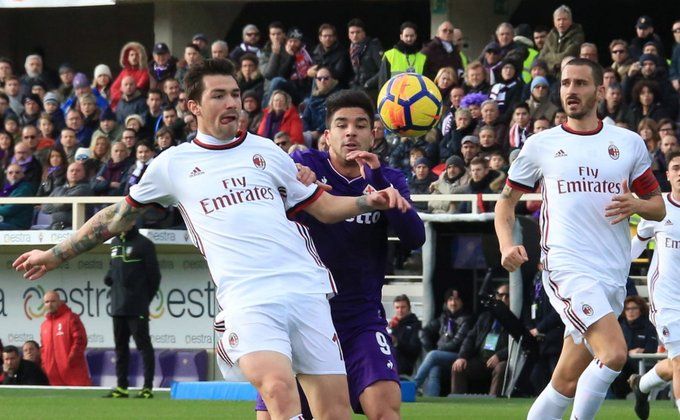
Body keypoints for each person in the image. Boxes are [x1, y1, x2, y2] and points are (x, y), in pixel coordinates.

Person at [14, 59, 410, 420]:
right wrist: (55, 254)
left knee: (335, 413)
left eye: (235, 93)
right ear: (194, 107)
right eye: (218, 95)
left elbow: (323, 207)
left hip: (307, 291)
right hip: (248, 298)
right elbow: (116, 217)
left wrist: (368, 200)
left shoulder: (268, 151)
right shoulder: (173, 164)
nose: (231, 102)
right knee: (277, 389)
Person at [495, 58, 665, 419]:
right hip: (566, 266)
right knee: (614, 353)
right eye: (566, 83)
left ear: (600, 91)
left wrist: (636, 204)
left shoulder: (628, 143)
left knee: (566, 380)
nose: (571, 90)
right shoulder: (541, 144)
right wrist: (506, 244)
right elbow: (506, 203)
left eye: (581, 83)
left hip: (612, 274)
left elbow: (658, 207)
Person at [258, 89, 425, 419]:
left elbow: (415, 237)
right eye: (342, 125)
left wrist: (378, 184)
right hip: (301, 315)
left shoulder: (389, 177)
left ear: (373, 135)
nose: (351, 132)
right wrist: (292, 184)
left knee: (385, 406)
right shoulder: (304, 167)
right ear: (327, 136)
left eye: (360, 125)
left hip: (360, 317)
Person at [628, 150, 680, 419]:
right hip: (667, 298)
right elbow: (635, 246)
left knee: (675, 364)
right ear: (668, 175)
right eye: (676, 167)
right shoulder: (658, 210)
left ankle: (642, 384)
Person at [102, 225, 160, 398]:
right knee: (120, 347)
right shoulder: (114, 242)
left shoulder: (144, 244)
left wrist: (144, 300)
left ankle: (147, 387)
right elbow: (113, 267)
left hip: (137, 306)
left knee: (143, 346)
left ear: (132, 221)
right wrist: (109, 276)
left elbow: (154, 277)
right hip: (117, 306)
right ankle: (122, 387)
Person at [451, 285, 510, 396]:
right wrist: (462, 356)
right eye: (500, 295)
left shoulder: (515, 319)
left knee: (501, 368)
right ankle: (457, 401)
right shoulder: (485, 317)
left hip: (500, 360)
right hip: (481, 359)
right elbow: (470, 338)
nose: (504, 299)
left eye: (507, 296)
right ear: (495, 297)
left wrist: (499, 356)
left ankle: (493, 401)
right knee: (458, 366)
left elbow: (516, 344)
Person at [414, 289, 472, 396]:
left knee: (433, 356)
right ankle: (431, 399)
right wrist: (430, 348)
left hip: (459, 356)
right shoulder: (444, 317)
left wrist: (437, 351)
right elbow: (423, 332)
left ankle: (413, 386)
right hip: (442, 355)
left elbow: (457, 342)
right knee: (434, 368)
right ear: (446, 302)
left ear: (462, 302)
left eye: (456, 299)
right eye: (450, 299)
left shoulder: (466, 319)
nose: (453, 303)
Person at [40, 290, 91, 386]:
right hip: (53, 376)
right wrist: (45, 365)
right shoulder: (44, 325)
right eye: (47, 302)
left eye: (53, 301)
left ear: (60, 302)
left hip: (74, 373)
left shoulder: (71, 318)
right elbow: (43, 348)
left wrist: (70, 360)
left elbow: (80, 340)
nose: (50, 304)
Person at [610, 295, 657, 399]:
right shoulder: (619, 326)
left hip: (644, 363)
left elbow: (653, 347)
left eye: (634, 308)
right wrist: (628, 353)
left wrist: (642, 351)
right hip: (624, 364)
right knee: (614, 373)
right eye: (627, 309)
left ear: (641, 310)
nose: (630, 311)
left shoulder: (648, 326)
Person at [41, 162, 95, 230]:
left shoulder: (85, 188)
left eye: (78, 171)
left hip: (77, 227)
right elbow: (45, 207)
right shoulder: (58, 188)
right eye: (71, 170)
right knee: (37, 234)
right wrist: (60, 206)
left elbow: (63, 204)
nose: (74, 173)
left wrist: (56, 209)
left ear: (84, 173)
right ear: (67, 173)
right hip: (56, 226)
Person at [537, 5, 585, 75]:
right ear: (554, 22)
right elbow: (541, 58)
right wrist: (553, 65)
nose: (561, 22)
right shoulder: (551, 35)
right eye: (558, 19)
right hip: (551, 75)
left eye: (564, 19)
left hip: (568, 74)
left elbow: (565, 57)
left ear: (570, 21)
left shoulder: (577, 35)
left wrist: (548, 57)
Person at [379, 22, 427, 88]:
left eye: (412, 36)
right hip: (394, 94)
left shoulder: (422, 58)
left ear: (415, 36)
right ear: (401, 36)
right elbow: (383, 82)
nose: (409, 39)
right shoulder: (389, 55)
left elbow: (426, 83)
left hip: (416, 94)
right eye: (406, 36)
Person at [346, 18, 382, 99]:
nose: (355, 35)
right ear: (348, 35)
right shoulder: (350, 49)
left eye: (358, 32)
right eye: (352, 32)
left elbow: (383, 69)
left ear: (364, 33)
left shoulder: (373, 46)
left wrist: (368, 83)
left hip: (371, 89)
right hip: (355, 88)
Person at [389, 294, 423, 378]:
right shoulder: (393, 324)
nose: (400, 310)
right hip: (388, 362)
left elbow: (414, 349)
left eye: (403, 307)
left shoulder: (415, 325)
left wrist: (397, 342)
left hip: (404, 365)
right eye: (397, 307)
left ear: (409, 308)